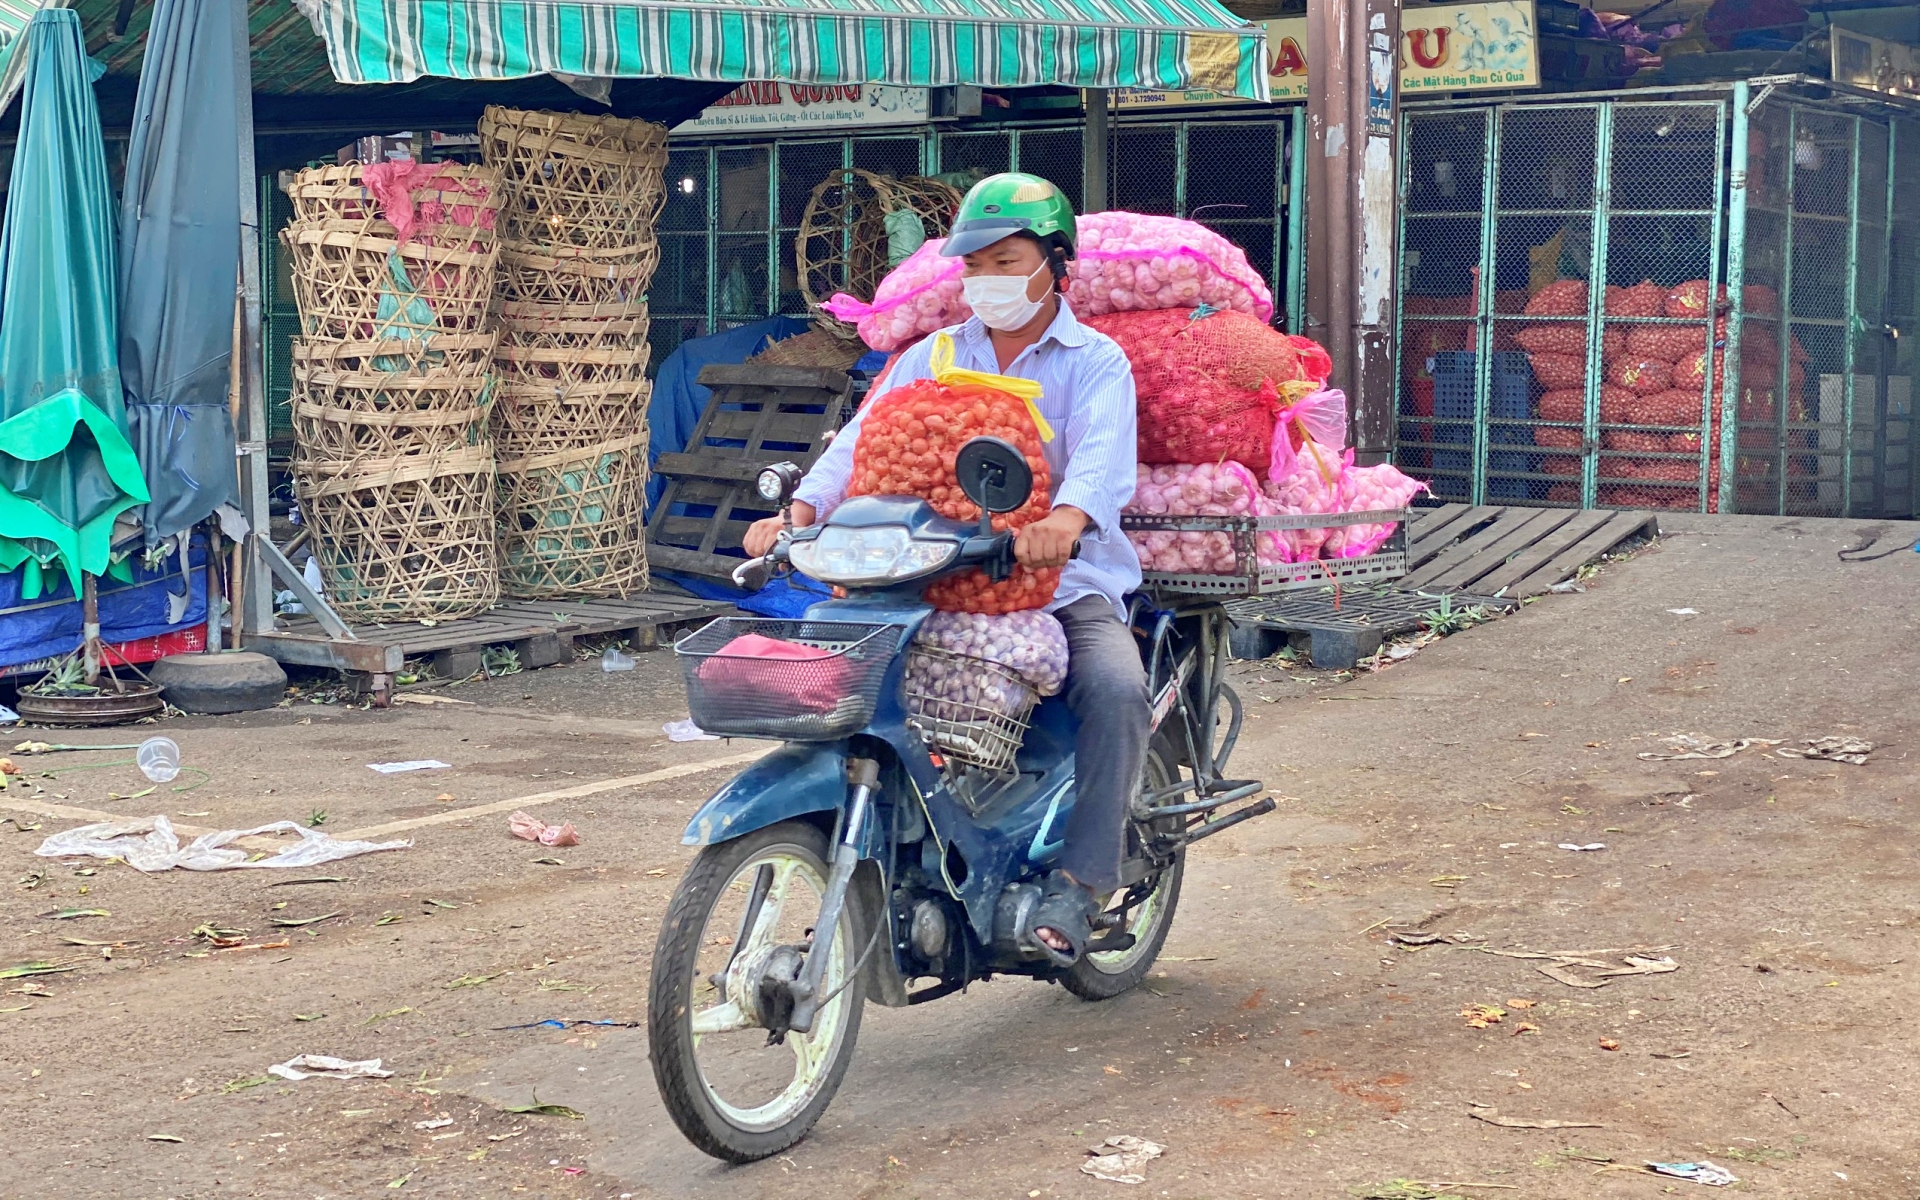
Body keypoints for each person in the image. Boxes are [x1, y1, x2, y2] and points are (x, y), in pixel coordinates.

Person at [742, 172, 1147, 967]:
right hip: (926, 570)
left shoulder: (1096, 362)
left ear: (1053, 264)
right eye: (975, 264)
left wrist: (1063, 522)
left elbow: (1100, 463)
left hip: (1060, 581)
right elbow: (861, 440)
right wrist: (799, 514)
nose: (987, 279)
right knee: (846, 667)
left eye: (1006, 259)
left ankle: (1083, 878)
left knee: (1116, 688)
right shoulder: (931, 354)